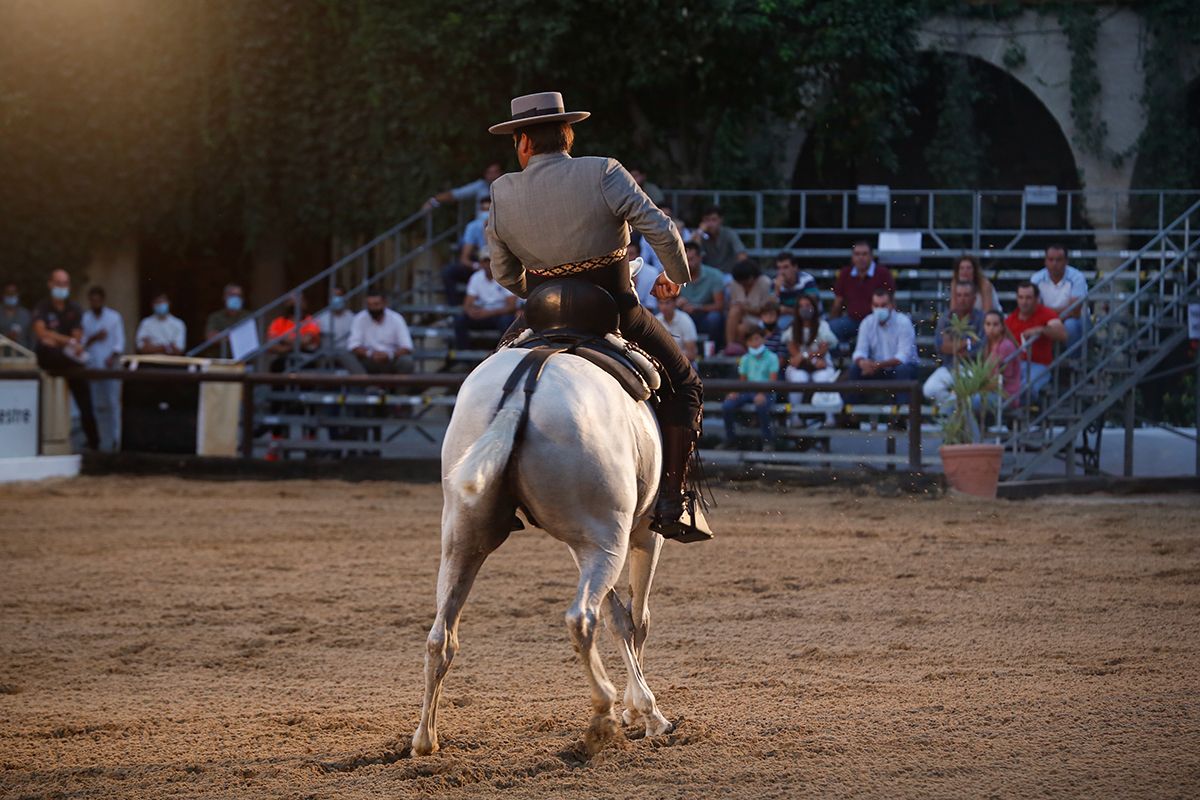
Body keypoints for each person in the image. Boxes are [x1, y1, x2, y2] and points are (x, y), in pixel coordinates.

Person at [485, 90, 706, 541]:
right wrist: (674, 275)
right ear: (567, 135)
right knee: (686, 385)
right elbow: (661, 228)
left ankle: (492, 494)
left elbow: (503, 272)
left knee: (493, 384)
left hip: (538, 317)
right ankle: (671, 501)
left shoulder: (502, 190)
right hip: (613, 313)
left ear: (523, 142)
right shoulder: (603, 170)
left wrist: (545, 288)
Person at [30, 269, 99, 450]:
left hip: (69, 360)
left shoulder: (75, 308)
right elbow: (41, 333)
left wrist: (57, 339)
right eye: (58, 283)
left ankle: (94, 444)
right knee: (47, 349)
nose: (62, 288)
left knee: (85, 398)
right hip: (49, 359)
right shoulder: (42, 307)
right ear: (50, 284)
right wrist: (66, 340)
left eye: (65, 284)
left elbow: (76, 338)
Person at [847, 288, 918, 403]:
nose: (879, 309)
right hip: (877, 369)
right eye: (876, 305)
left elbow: (903, 357)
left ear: (892, 305)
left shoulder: (904, 322)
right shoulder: (867, 322)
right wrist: (862, 362)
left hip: (900, 368)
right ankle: (851, 415)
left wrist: (877, 365)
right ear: (871, 306)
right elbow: (859, 351)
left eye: (883, 305)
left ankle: (902, 416)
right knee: (855, 369)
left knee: (902, 370)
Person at [922, 280, 986, 404]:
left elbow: (980, 348)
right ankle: (955, 408)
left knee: (972, 394)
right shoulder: (946, 318)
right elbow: (941, 346)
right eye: (959, 295)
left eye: (966, 295)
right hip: (949, 366)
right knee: (929, 390)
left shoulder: (982, 318)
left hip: (972, 368)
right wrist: (966, 343)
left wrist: (953, 346)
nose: (962, 299)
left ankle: (955, 411)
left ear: (974, 298)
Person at [783, 293, 839, 425]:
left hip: (821, 363)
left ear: (814, 307)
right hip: (801, 366)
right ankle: (795, 417)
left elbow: (823, 350)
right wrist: (807, 358)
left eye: (807, 305)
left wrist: (806, 356)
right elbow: (793, 352)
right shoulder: (793, 327)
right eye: (801, 306)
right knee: (799, 378)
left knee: (823, 378)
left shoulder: (822, 326)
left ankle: (829, 417)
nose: (804, 308)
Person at [81, 286, 125, 451]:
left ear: (103, 300)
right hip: (92, 366)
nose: (95, 303)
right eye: (92, 300)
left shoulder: (114, 317)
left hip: (110, 367)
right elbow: (81, 343)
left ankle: (116, 438)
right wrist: (94, 337)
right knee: (93, 405)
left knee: (113, 404)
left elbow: (119, 343)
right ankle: (96, 439)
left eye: (98, 300)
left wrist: (112, 358)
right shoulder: (85, 318)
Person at [719, 327, 778, 451]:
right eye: (751, 340)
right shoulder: (745, 358)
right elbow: (743, 381)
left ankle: (768, 441)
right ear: (747, 343)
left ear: (763, 339)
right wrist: (736, 392)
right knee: (727, 405)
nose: (755, 343)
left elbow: (772, 381)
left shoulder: (772, 357)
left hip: (767, 391)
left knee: (762, 404)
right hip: (748, 391)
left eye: (757, 339)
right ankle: (731, 439)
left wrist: (763, 393)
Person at [1005, 282, 1067, 398]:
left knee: (1027, 388)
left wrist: (1041, 330)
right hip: (1015, 365)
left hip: (1039, 366)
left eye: (1028, 298)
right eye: (1021, 297)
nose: (1024, 302)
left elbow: (1062, 334)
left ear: (1036, 299)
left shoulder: (1046, 313)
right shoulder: (1010, 320)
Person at [830, 241, 895, 344]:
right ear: (852, 257)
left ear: (871, 256)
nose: (860, 258)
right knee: (831, 328)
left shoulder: (883, 273)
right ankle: (839, 357)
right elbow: (838, 301)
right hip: (852, 320)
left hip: (876, 320)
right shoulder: (845, 273)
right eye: (857, 254)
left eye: (864, 254)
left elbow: (890, 301)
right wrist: (832, 320)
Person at [1030, 244, 1088, 355]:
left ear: (1066, 261)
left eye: (1059, 260)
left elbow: (1075, 312)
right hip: (1048, 320)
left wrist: (1046, 313)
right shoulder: (1036, 279)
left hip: (1077, 320)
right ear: (1045, 261)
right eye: (1051, 260)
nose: (1054, 264)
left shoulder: (1077, 277)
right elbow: (1034, 310)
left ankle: (1075, 365)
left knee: (1070, 325)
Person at [454, 249, 517, 349]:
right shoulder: (476, 277)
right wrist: (471, 312)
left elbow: (511, 306)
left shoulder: (504, 277)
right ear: (481, 263)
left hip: (498, 315)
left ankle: (504, 351)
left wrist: (489, 312)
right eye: (485, 261)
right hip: (482, 314)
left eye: (490, 261)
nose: (488, 264)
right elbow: (467, 304)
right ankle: (464, 356)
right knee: (459, 320)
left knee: (506, 321)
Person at [348, 290, 414, 374]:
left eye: (376, 304)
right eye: (369, 305)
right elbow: (353, 345)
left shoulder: (396, 318)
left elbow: (407, 346)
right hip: (368, 359)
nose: (372, 308)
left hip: (391, 359)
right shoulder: (359, 318)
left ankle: (399, 387)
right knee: (347, 355)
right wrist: (370, 354)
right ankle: (368, 386)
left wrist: (389, 355)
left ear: (384, 303)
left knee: (407, 361)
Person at [442, 196, 492, 305]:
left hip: (498, 266)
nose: (485, 213)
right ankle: (453, 308)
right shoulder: (473, 226)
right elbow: (464, 258)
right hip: (480, 264)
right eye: (483, 210)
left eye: (488, 210)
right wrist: (477, 266)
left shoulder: (504, 226)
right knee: (448, 272)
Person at [676, 240, 726, 349]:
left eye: (691, 259)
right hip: (685, 314)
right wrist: (677, 302)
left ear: (700, 258)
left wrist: (698, 308)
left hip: (705, 315)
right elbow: (666, 301)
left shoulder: (714, 275)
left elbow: (720, 306)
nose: (688, 263)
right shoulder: (675, 275)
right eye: (685, 260)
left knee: (715, 318)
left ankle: (714, 350)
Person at [724, 260, 773, 354]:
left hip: (760, 319)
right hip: (741, 318)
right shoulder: (735, 283)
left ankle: (746, 351)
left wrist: (745, 308)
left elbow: (766, 311)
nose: (743, 284)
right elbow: (732, 304)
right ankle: (730, 345)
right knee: (735, 312)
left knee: (741, 328)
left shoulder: (765, 283)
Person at [266, 295, 321, 371]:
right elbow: (271, 346)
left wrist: (282, 339)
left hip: (305, 359)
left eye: (299, 300)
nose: (295, 303)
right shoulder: (278, 322)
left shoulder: (311, 321)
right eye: (291, 301)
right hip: (282, 359)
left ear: (304, 303)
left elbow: (305, 341)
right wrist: (293, 346)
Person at [424, 161, 503, 210]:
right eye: (490, 173)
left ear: (501, 173)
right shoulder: (480, 186)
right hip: (483, 228)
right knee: (472, 227)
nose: (493, 176)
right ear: (485, 174)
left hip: (502, 226)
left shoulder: (508, 187)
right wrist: (433, 200)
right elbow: (456, 194)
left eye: (496, 172)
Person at [983, 310, 1021, 409]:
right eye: (988, 324)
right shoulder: (986, 345)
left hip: (1005, 395)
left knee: (968, 401)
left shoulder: (1006, 346)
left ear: (1002, 327)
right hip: (990, 392)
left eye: (995, 324)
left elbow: (1001, 380)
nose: (991, 328)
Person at [695, 206, 748, 273]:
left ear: (721, 220)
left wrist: (739, 273)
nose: (710, 224)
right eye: (707, 220)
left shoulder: (729, 233)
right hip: (708, 276)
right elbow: (693, 255)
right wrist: (699, 232)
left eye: (714, 220)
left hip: (728, 274)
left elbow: (742, 255)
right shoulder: (700, 235)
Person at [772, 252, 818, 325]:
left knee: (782, 324)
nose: (782, 272)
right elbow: (771, 310)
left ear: (795, 267)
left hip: (810, 318)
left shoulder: (807, 280)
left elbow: (810, 310)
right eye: (779, 268)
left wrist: (787, 310)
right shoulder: (776, 283)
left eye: (785, 267)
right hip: (787, 318)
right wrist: (777, 290)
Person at [204, 283, 251, 347]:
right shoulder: (215, 317)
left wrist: (223, 336)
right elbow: (211, 337)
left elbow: (249, 338)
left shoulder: (247, 316)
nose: (236, 298)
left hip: (241, 356)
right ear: (224, 297)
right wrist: (235, 337)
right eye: (232, 295)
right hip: (218, 355)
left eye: (239, 296)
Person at [656, 295, 698, 363]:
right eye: (661, 303)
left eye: (667, 303)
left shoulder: (685, 320)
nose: (664, 307)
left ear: (675, 303)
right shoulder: (656, 320)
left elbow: (691, 354)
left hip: (685, 364)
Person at [2, 281, 33, 349]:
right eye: (8, 293)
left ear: (18, 294)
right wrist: (6, 337)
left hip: (23, 355)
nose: (11, 295)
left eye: (13, 293)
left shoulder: (25, 314)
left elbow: (32, 338)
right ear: (3, 295)